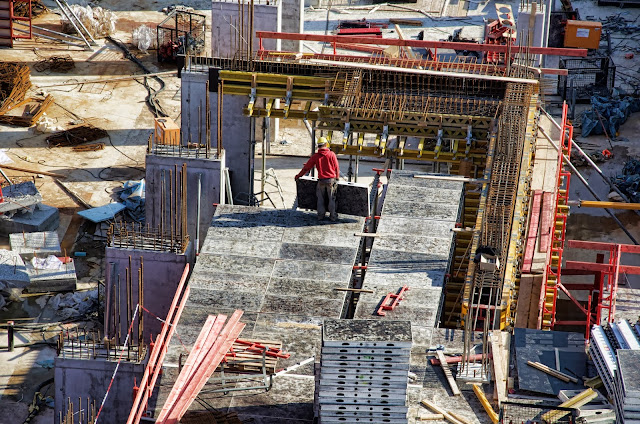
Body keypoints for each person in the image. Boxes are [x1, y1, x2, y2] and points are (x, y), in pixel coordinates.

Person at [295, 137, 340, 221]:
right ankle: (333, 216)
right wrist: (337, 177)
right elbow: (336, 167)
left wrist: (298, 176)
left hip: (321, 181)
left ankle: (320, 216)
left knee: (320, 199)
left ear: (318, 146)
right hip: (331, 180)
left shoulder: (316, 156)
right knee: (331, 199)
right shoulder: (332, 154)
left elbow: (306, 168)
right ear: (326, 144)